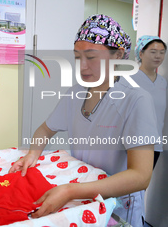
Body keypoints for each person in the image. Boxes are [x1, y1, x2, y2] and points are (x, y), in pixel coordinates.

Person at [9, 14, 159, 227]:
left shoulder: (137, 99)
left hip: (117, 207)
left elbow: (141, 176)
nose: (82, 67)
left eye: (91, 57)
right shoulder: (76, 93)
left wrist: (70, 190)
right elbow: (44, 130)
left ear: (118, 56)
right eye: (78, 57)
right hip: (82, 198)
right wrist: (33, 154)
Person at [133, 35, 167, 168]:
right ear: (141, 53)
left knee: (142, 186)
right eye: (153, 52)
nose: (158, 56)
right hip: (132, 145)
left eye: (162, 52)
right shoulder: (128, 80)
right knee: (126, 186)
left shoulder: (163, 83)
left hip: (155, 146)